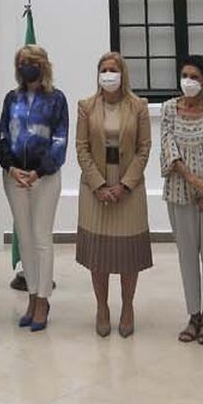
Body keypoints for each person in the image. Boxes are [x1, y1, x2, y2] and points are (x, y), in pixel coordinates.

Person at [75, 51, 153, 338]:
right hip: (96, 188)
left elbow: (144, 148)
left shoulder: (139, 106)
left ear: (123, 74)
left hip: (128, 188)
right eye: (103, 70)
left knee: (127, 254)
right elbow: (81, 148)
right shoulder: (86, 106)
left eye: (113, 70)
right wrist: (98, 185)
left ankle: (128, 307)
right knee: (99, 254)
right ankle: (102, 308)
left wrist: (125, 184)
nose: (108, 75)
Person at [0, 44, 70, 332]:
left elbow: (60, 139)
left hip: (45, 177)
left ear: (43, 65)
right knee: (24, 238)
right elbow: (2, 135)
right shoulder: (11, 98)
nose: (27, 65)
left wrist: (39, 171)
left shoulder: (56, 99)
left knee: (41, 238)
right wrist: (11, 167)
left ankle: (43, 299)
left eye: (32, 61)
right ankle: (31, 295)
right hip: (14, 176)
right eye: (22, 62)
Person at [159, 55, 203, 346]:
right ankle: (193, 314)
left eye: (195, 77)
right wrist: (193, 181)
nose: (188, 81)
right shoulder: (168, 109)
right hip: (179, 191)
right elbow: (168, 146)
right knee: (187, 256)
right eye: (185, 75)